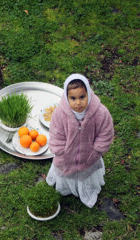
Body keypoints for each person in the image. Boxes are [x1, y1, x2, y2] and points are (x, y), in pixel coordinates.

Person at [46, 73, 114, 208]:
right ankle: (66, 188)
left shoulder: (100, 113)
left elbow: (105, 132)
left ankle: (86, 190)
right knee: (65, 173)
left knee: (86, 173)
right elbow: (56, 133)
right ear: (67, 98)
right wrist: (60, 151)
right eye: (73, 98)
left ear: (88, 93)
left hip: (89, 156)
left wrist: (97, 150)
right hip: (66, 157)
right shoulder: (60, 114)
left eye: (82, 97)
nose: (78, 102)